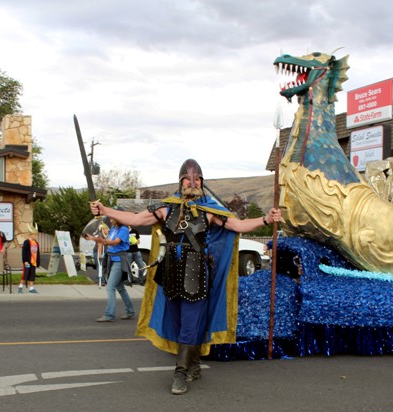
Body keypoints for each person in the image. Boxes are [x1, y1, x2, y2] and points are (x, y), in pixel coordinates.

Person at [89, 158, 282, 395]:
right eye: (188, 178)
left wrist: (266, 219)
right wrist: (105, 210)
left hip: (196, 275)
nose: (193, 182)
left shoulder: (209, 210)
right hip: (170, 273)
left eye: (197, 178)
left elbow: (238, 225)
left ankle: (180, 373)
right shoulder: (167, 207)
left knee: (190, 323)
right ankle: (195, 363)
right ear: (181, 181)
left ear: (202, 182)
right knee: (179, 323)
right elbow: (136, 219)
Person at [85, 217, 134, 321]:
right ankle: (130, 310)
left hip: (119, 260)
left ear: (118, 219)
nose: (110, 220)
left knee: (110, 287)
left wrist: (101, 240)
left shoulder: (123, 229)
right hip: (112, 259)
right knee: (120, 287)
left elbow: (115, 242)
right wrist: (93, 238)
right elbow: (106, 241)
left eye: (112, 218)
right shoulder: (114, 228)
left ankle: (109, 314)